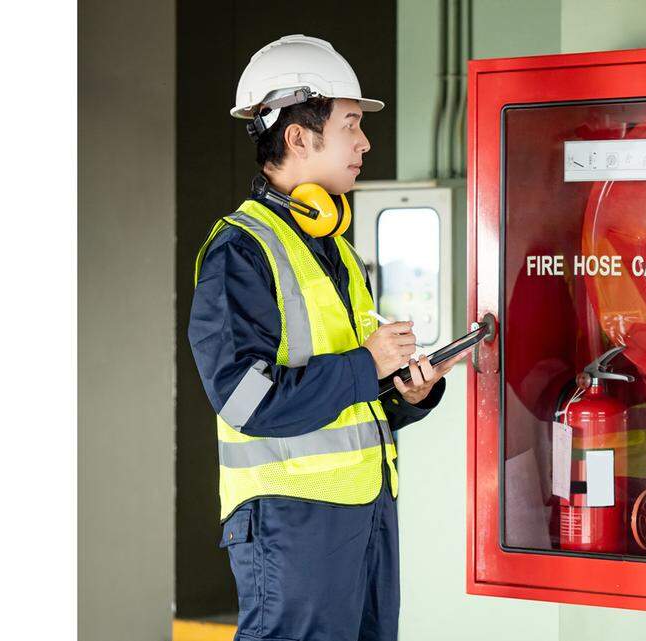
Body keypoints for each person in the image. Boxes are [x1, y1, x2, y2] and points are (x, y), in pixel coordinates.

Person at [188, 34, 464, 641]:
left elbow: (350, 396)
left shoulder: (335, 247)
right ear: (296, 135)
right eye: (350, 123)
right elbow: (245, 400)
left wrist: (405, 395)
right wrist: (366, 366)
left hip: (363, 514)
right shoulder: (242, 252)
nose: (364, 141)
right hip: (292, 520)